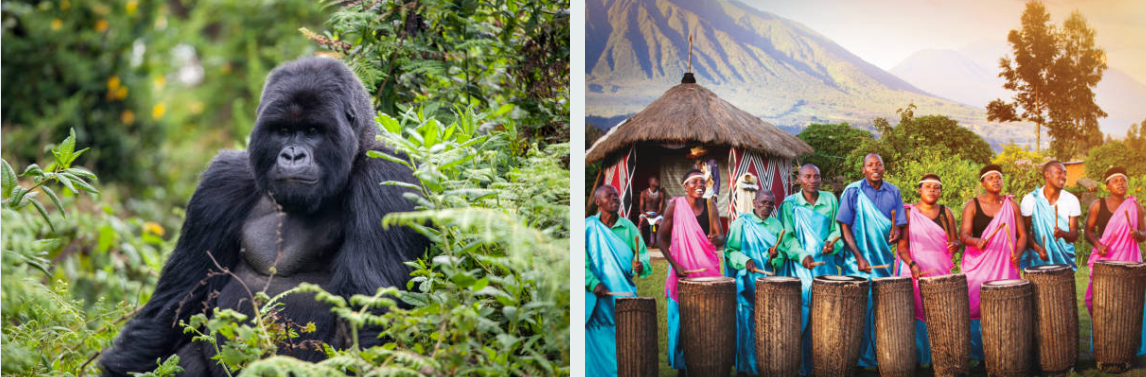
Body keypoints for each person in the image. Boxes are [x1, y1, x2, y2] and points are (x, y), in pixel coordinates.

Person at [836, 153, 906, 367]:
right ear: (863, 170)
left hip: (883, 260)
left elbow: (899, 223)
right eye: (870, 165)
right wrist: (858, 256)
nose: (875, 168)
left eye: (879, 164)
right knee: (857, 310)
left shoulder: (893, 191)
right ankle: (855, 358)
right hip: (858, 263)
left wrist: (896, 231)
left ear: (884, 168)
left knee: (881, 311)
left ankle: (880, 357)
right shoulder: (853, 191)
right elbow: (844, 226)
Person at [658, 169, 725, 373]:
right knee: (681, 319)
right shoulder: (675, 206)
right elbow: (661, 238)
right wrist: (675, 265)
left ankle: (705, 359)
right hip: (683, 270)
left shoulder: (709, 205)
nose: (700, 185)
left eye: (703, 182)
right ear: (684, 185)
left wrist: (717, 239)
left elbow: (721, 236)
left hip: (707, 269)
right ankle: (681, 366)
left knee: (706, 318)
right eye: (694, 181)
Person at [776, 164, 840, 375]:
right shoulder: (790, 204)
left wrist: (832, 243)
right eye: (808, 176)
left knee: (827, 314)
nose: (813, 180)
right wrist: (802, 256)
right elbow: (786, 236)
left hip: (825, 266)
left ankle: (826, 364)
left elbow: (836, 229)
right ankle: (802, 366)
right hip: (800, 268)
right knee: (802, 314)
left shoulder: (830, 200)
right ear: (799, 180)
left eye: (817, 176)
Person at [959, 164, 1027, 361]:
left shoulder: (1011, 205)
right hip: (978, 265)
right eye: (991, 178)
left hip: (1005, 264)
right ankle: (979, 355)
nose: (996, 180)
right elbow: (964, 235)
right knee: (975, 307)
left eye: (999, 177)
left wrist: (1019, 253)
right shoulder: (972, 205)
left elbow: (1022, 236)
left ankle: (1005, 352)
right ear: (983, 183)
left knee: (1005, 307)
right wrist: (975, 241)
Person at [895, 173, 961, 366]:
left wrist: (954, 245)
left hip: (939, 269)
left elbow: (955, 240)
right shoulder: (909, 213)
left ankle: (938, 358)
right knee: (913, 311)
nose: (932, 190)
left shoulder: (946, 212)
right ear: (920, 189)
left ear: (940, 191)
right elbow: (902, 247)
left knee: (939, 313)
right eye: (928, 187)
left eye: (936, 187)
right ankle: (915, 357)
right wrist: (912, 264)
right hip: (914, 270)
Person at [1082, 167, 1146, 356]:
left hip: (1129, 260)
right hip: (1105, 261)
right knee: (1099, 301)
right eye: (1116, 180)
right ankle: (1104, 345)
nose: (1120, 183)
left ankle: (1131, 345)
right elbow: (1088, 231)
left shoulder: (1136, 207)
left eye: (1123, 180)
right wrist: (1097, 244)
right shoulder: (1097, 205)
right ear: (1107, 186)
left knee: (1130, 303)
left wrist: (1138, 234)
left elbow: (1144, 232)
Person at [724, 189, 787, 376]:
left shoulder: (777, 225)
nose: (767, 207)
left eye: (771, 204)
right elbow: (729, 251)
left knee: (769, 325)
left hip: (769, 284)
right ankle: (744, 367)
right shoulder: (741, 224)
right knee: (745, 325)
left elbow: (782, 255)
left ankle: (766, 365)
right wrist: (744, 260)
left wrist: (775, 256)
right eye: (763, 202)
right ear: (754, 202)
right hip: (747, 284)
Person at [585, 185, 645, 376]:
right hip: (598, 300)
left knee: (626, 339)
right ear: (597, 202)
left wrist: (640, 265)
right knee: (597, 340)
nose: (615, 198)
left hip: (624, 295)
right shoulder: (588, 227)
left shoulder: (628, 227)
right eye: (609, 196)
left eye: (616, 196)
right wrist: (593, 283)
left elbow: (642, 255)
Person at [1020, 161, 1081, 270]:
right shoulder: (1031, 199)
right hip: (1037, 260)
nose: (1063, 176)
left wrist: (1062, 233)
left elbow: (1074, 235)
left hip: (1064, 260)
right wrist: (1038, 249)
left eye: (1065, 173)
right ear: (1047, 174)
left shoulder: (1071, 200)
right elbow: (1024, 233)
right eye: (1059, 172)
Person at [639, 176, 667, 246]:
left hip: (656, 214)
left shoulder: (661, 194)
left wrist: (656, 215)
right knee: (640, 224)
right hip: (646, 214)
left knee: (661, 224)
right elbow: (641, 208)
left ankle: (660, 243)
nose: (657, 182)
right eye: (655, 180)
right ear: (650, 183)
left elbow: (660, 208)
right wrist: (646, 214)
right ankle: (641, 244)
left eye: (657, 180)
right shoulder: (644, 193)